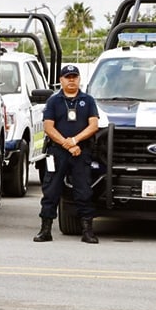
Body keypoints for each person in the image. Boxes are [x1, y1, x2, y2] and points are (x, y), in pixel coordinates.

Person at [34, 64, 100, 244]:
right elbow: (48, 127)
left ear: (79, 79)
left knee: (83, 190)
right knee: (51, 190)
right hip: (57, 152)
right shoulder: (54, 101)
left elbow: (93, 125)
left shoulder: (88, 100)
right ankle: (45, 230)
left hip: (81, 151)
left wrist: (75, 141)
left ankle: (87, 231)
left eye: (74, 77)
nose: (71, 80)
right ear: (61, 80)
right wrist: (67, 143)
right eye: (67, 77)